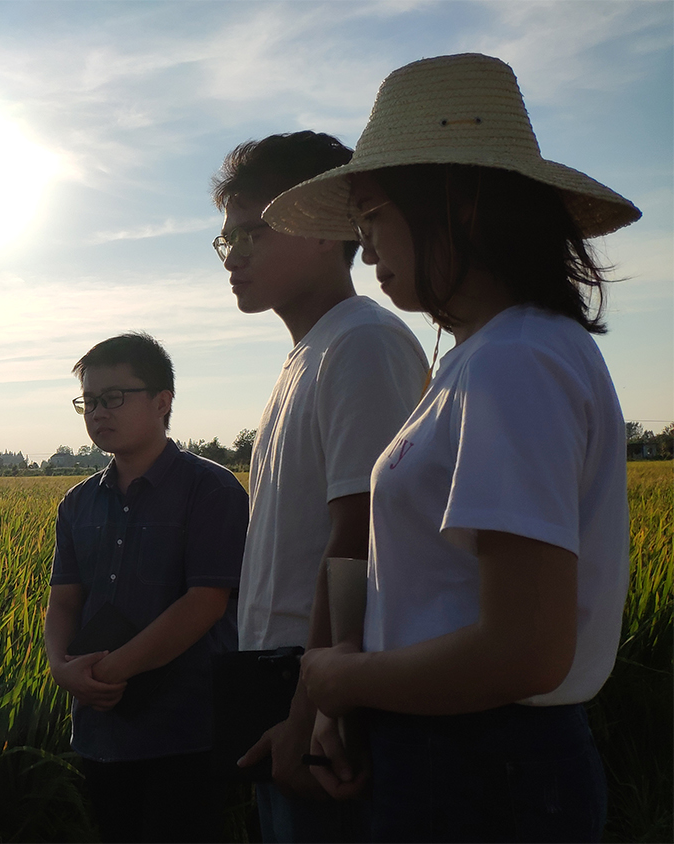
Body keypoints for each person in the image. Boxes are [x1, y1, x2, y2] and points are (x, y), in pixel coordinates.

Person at [263, 53, 641, 842]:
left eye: (372, 218)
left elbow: (523, 652)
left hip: (484, 767)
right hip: (468, 756)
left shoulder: (514, 363)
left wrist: (342, 675)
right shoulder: (491, 355)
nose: (366, 251)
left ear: (459, 204)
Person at [210, 132, 427, 841]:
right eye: (226, 238)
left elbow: (360, 536)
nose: (234, 254)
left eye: (255, 232)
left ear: (334, 228)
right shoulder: (308, 355)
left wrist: (311, 717)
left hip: (316, 692)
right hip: (284, 685)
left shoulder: (362, 343)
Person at [42, 332, 247, 842]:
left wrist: (109, 671)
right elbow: (64, 600)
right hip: (100, 728)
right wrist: (59, 666)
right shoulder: (78, 503)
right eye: (88, 401)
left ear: (162, 402)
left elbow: (205, 603)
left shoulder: (212, 490)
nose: (98, 412)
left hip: (186, 729)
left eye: (114, 397)